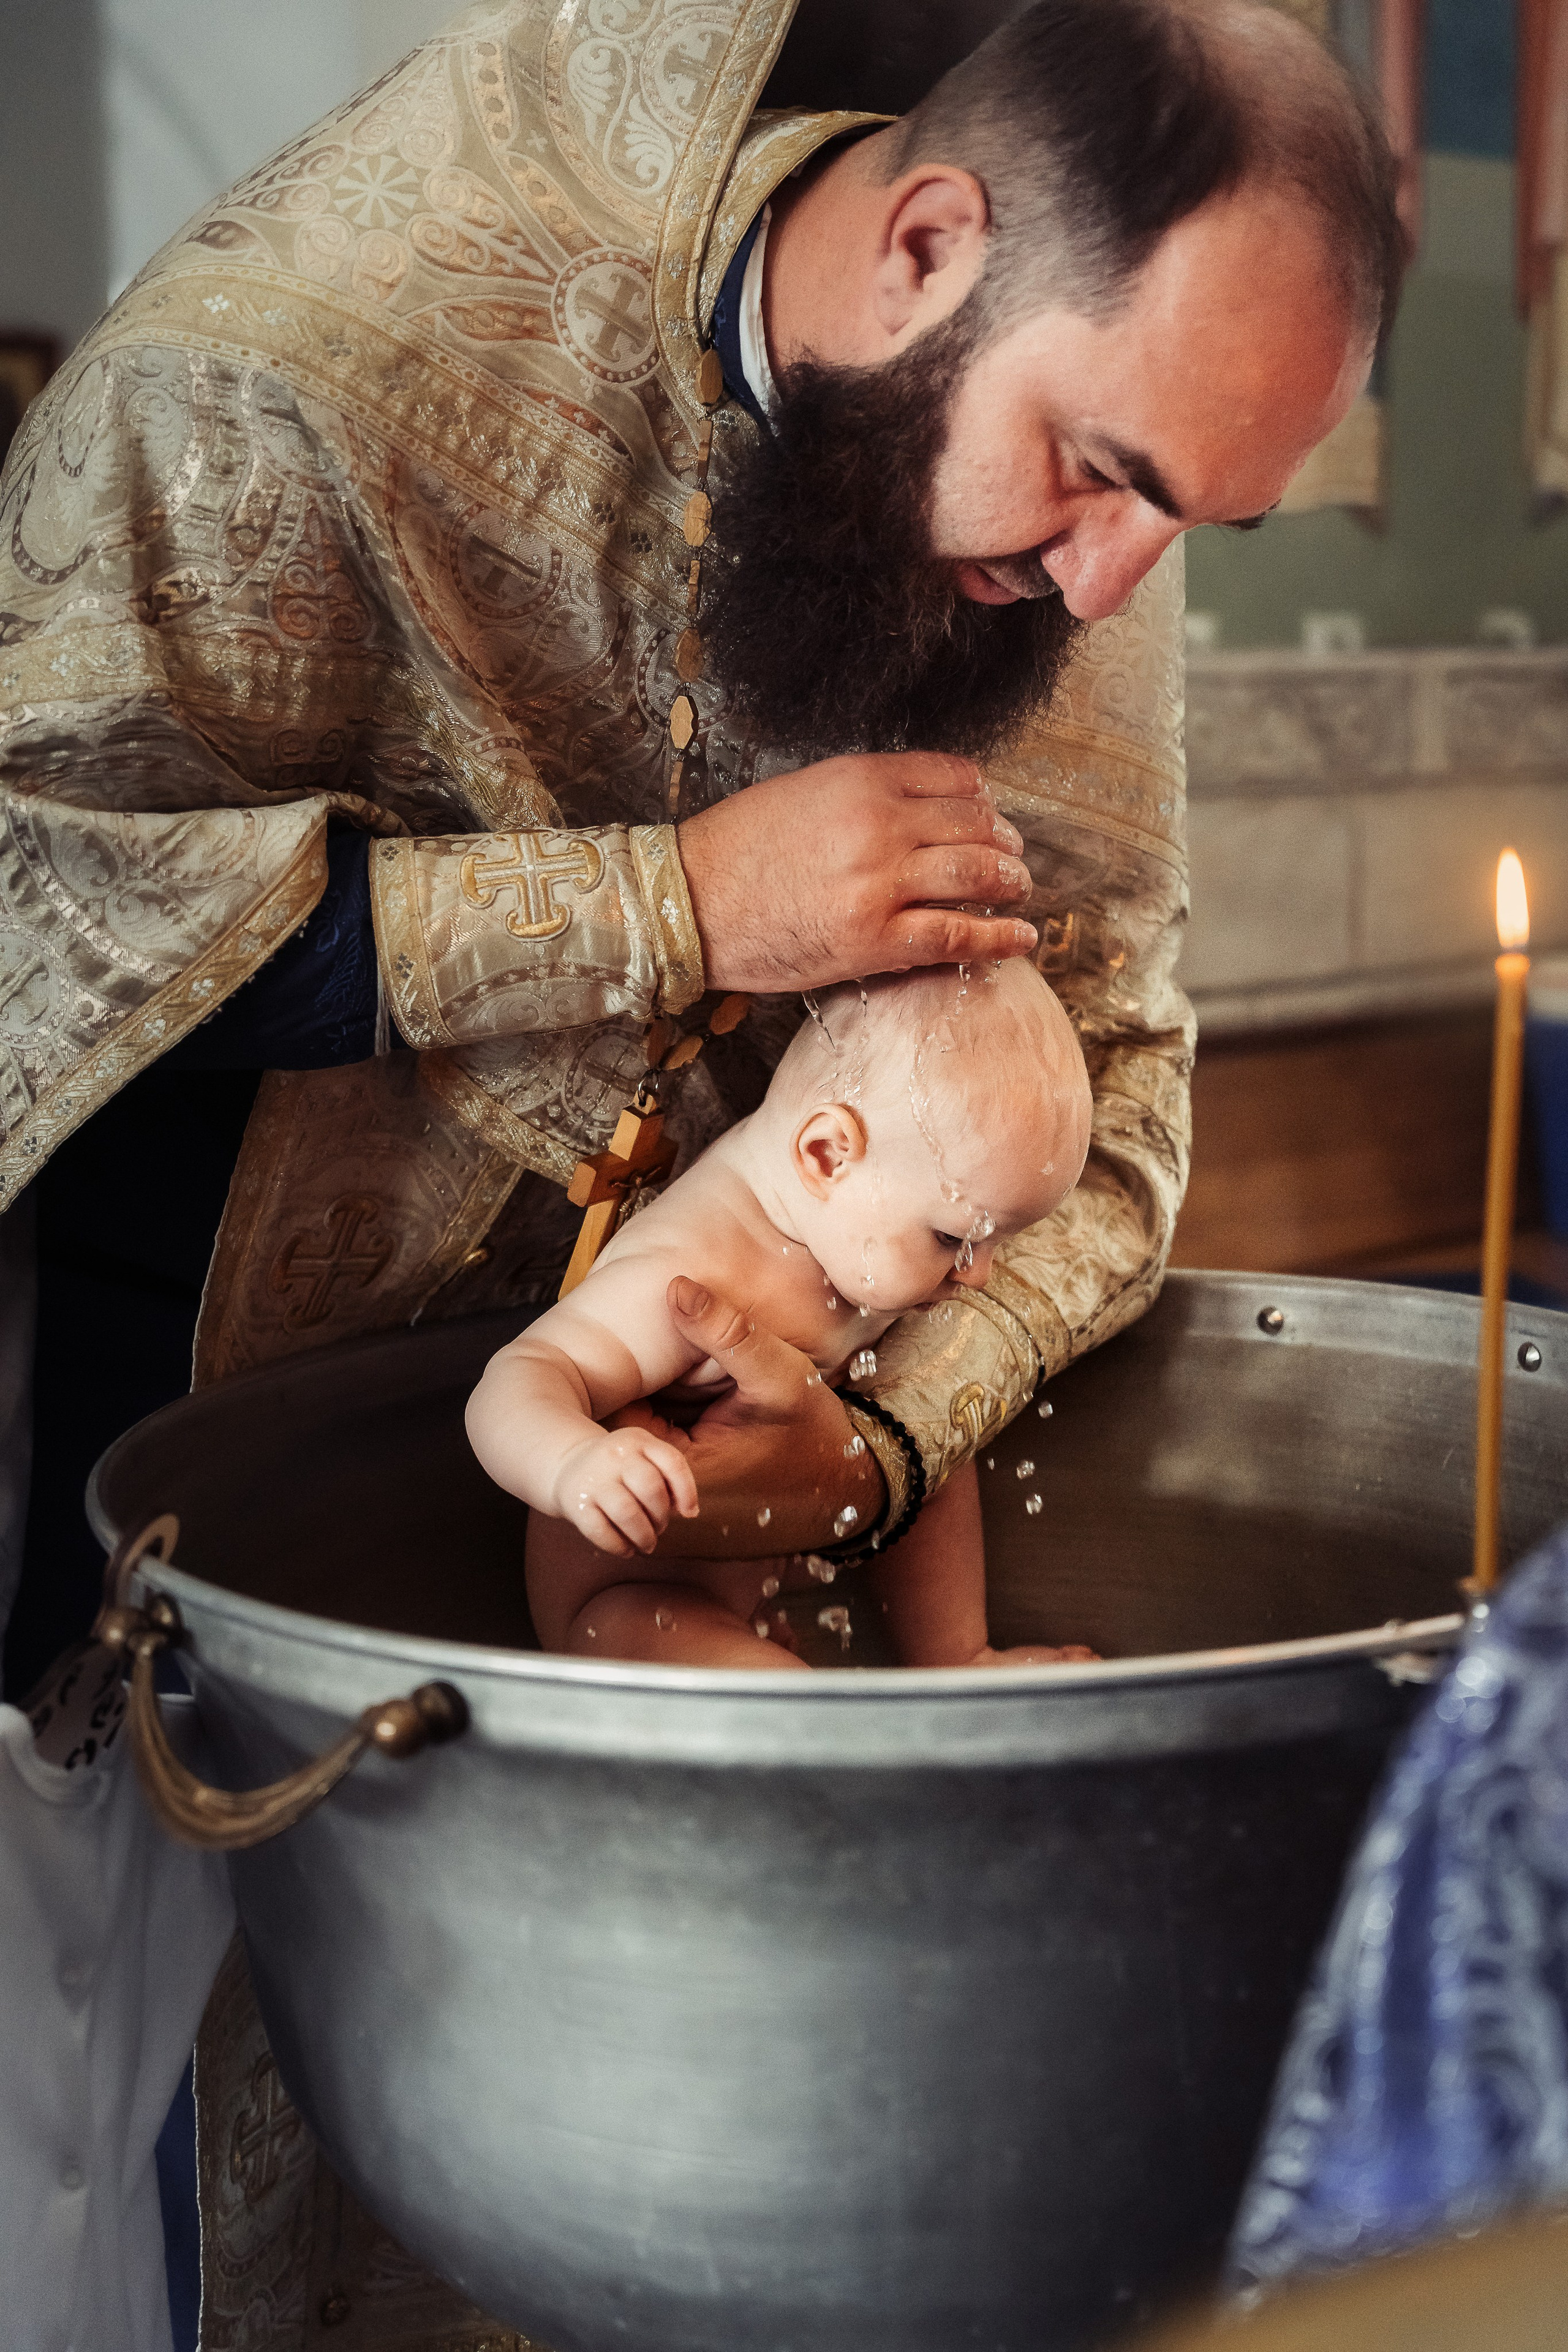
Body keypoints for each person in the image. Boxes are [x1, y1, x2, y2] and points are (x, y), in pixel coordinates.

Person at [0, 0, 1404, 2336]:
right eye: (1097, 467)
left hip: (638, 1639)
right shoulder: (323, 341)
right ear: (929, 241)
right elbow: (36, 913)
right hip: (138, 1555)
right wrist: (670, 911)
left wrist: (866, 1433)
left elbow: (1114, 1102)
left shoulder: (1061, 541)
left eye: (1193, 520)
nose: (1108, 592)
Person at [470, 960, 1096, 1670]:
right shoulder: (692, 1278)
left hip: (766, 1549)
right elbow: (519, 1376)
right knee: (802, 1712)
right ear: (827, 1155)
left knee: (938, 1436)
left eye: (998, 1242)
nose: (978, 1275)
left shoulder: (851, 1220)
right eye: (954, 1237)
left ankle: (958, 1655)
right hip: (635, 1604)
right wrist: (572, 1462)